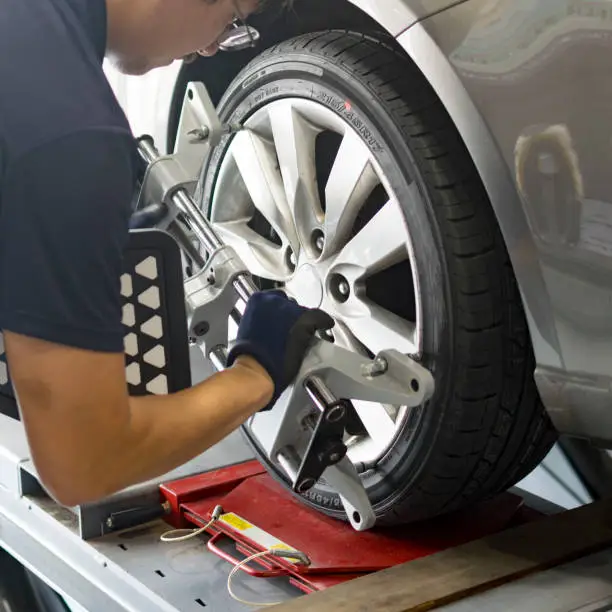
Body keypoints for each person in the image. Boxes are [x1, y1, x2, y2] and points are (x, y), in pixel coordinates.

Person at [0, 0, 333, 508]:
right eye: (233, 20)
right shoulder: (69, 137)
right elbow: (84, 464)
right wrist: (256, 373)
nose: (209, 48)